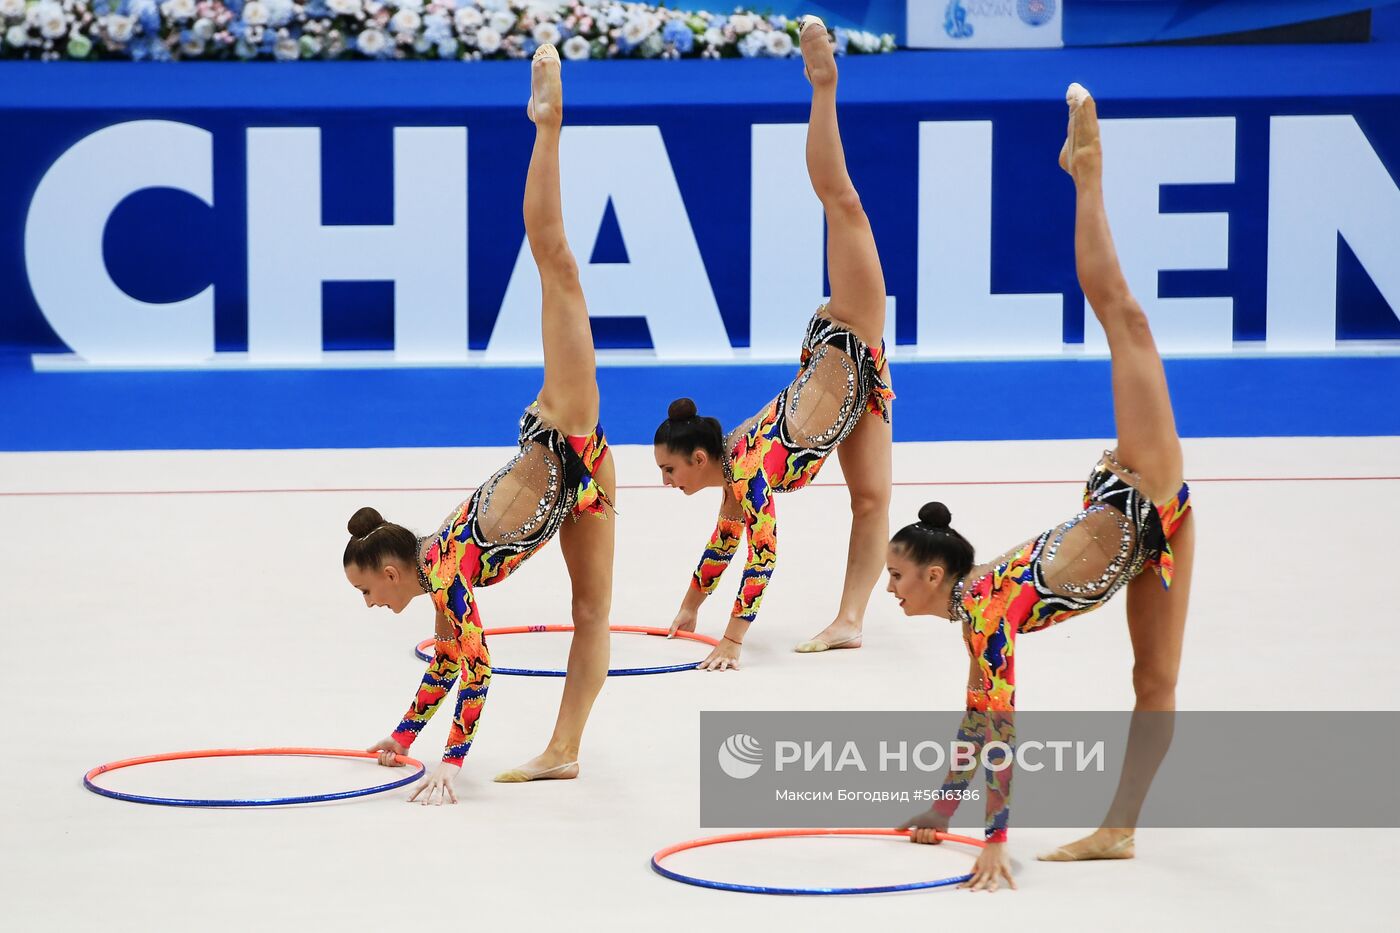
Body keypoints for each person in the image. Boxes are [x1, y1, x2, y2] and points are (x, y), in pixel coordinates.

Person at [887, 84, 1196, 889]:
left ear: (932, 574)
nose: (889, 589)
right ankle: (1119, 830)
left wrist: (993, 837)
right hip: (1144, 529)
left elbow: (1000, 723)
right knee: (1154, 680)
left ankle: (1085, 173)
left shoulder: (984, 610)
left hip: (1141, 494)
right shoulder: (976, 606)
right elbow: (977, 715)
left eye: (893, 575)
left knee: (1122, 316)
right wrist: (943, 809)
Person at [343, 44, 617, 802]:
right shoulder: (433, 568)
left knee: (554, 260)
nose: (372, 606)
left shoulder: (448, 572)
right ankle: (564, 748)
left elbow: (479, 667)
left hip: (564, 430)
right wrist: (401, 741)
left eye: (369, 593)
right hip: (581, 476)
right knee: (591, 610)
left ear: (391, 571)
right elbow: (446, 660)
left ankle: (548, 125)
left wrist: (449, 764)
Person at [653, 16, 894, 671]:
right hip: (854, 388)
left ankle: (823, 85)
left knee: (842, 202)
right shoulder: (732, 470)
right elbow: (725, 540)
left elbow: (762, 553)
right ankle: (850, 619)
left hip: (851, 331)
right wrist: (689, 607)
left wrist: (730, 640)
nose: (667, 481)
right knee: (870, 501)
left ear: (700, 458)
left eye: (670, 470)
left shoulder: (749, 466)